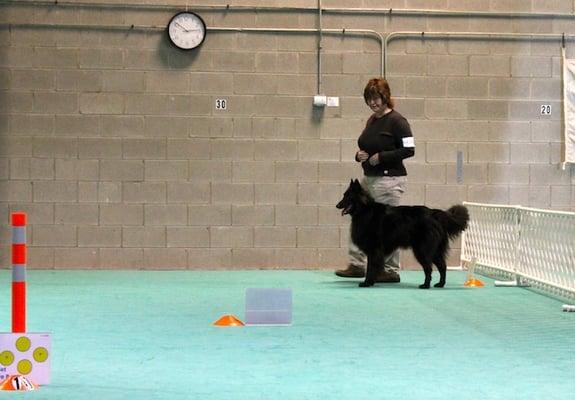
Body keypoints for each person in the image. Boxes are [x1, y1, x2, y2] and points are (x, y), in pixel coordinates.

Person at [335, 77, 415, 283]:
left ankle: (388, 270)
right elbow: (368, 146)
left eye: (376, 98)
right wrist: (359, 155)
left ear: (385, 97)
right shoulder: (372, 120)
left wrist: (382, 157)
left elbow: (409, 150)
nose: (373, 103)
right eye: (369, 99)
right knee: (359, 219)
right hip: (369, 178)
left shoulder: (398, 121)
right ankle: (357, 264)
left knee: (387, 227)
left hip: (389, 180)